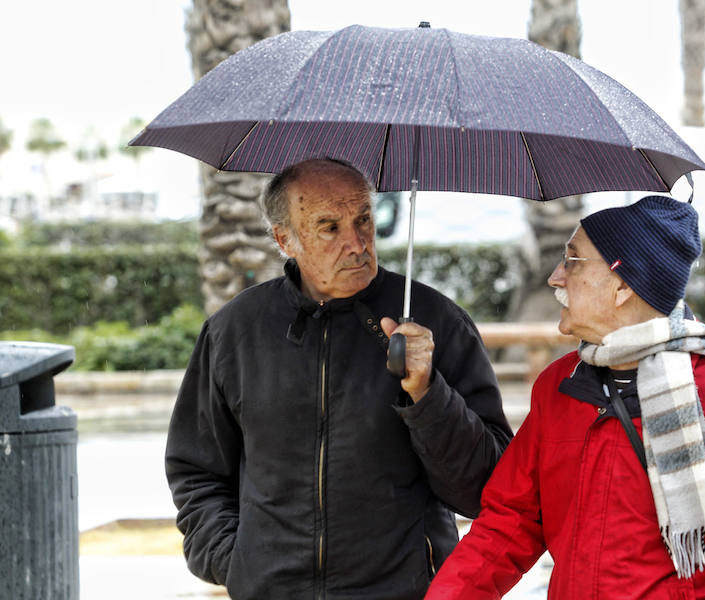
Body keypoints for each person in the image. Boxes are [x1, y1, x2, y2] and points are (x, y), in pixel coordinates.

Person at [425, 195, 705, 599]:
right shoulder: (559, 387)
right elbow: (510, 523)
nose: (555, 277)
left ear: (622, 285)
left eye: (572, 261)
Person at [165, 158, 513, 600]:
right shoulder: (235, 330)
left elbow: (489, 487)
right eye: (330, 227)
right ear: (284, 239)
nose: (356, 243)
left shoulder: (436, 323)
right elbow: (196, 468)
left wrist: (428, 394)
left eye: (363, 219)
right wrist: (234, 561)